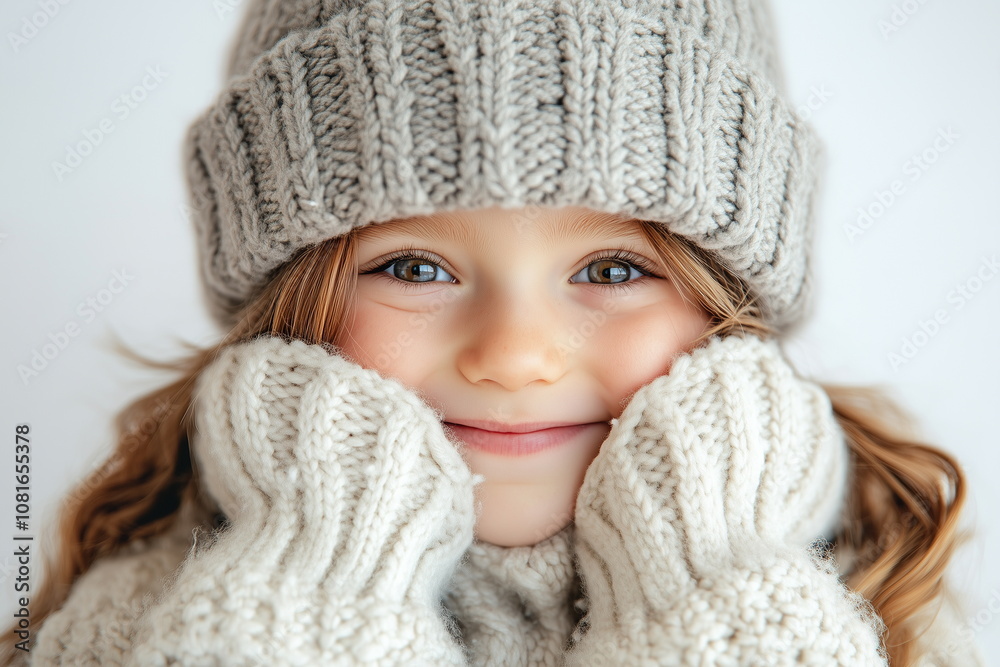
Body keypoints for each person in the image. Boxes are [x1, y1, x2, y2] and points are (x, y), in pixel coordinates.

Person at [3, 0, 981, 664]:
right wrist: (321, 578)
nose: (514, 355)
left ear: (729, 307)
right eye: (415, 268)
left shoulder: (877, 610)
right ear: (288, 303)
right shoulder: (140, 621)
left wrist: (709, 578)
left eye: (611, 269)